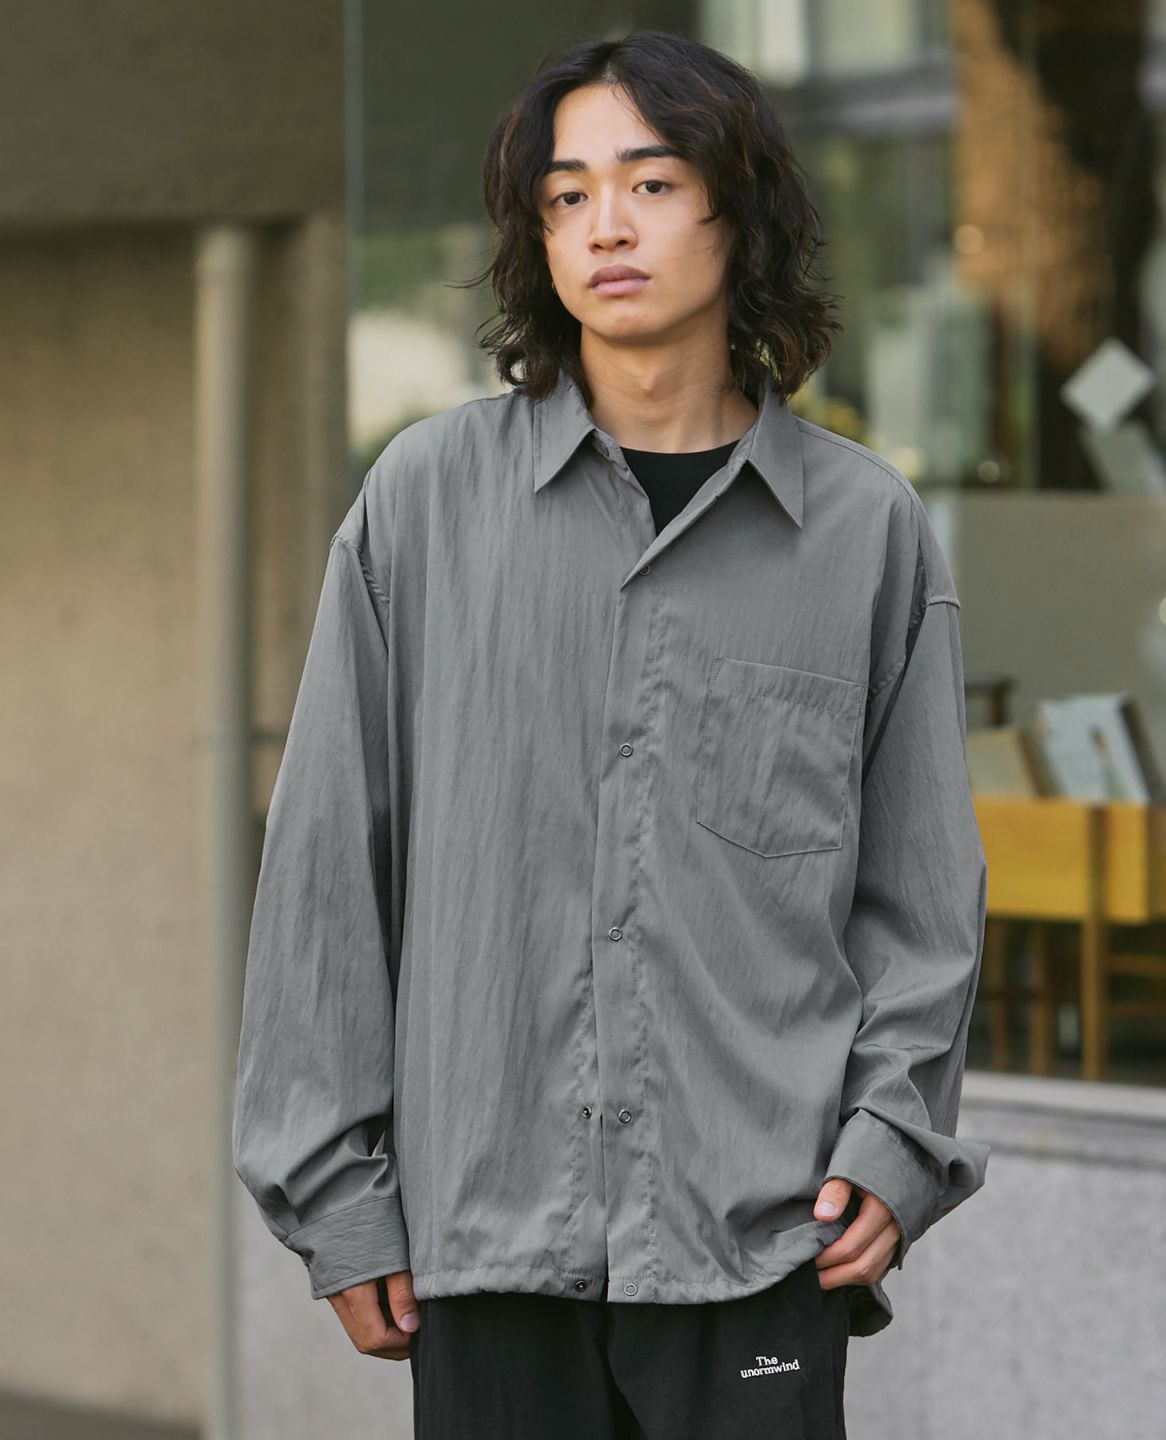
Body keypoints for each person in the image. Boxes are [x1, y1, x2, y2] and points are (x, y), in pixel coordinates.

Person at [232, 26, 991, 1439]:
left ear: (738, 212)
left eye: (650, 182)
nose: (607, 226)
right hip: (485, 1233)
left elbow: (922, 899)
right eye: (567, 195)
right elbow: (330, 866)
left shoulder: (864, 531)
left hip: (760, 1238)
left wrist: (895, 1147)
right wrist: (334, 1192)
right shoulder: (425, 502)